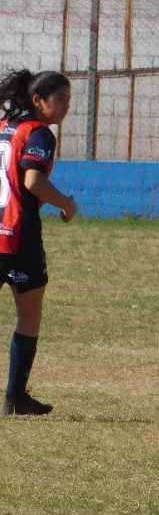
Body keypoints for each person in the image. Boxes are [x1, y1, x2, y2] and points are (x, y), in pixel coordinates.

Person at [0, 68, 77, 416]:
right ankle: (15, 398)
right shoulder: (39, 133)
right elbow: (32, 181)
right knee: (28, 316)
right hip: (17, 236)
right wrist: (68, 204)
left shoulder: (4, 126)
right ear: (38, 100)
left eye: (68, 100)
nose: (65, 106)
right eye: (59, 99)